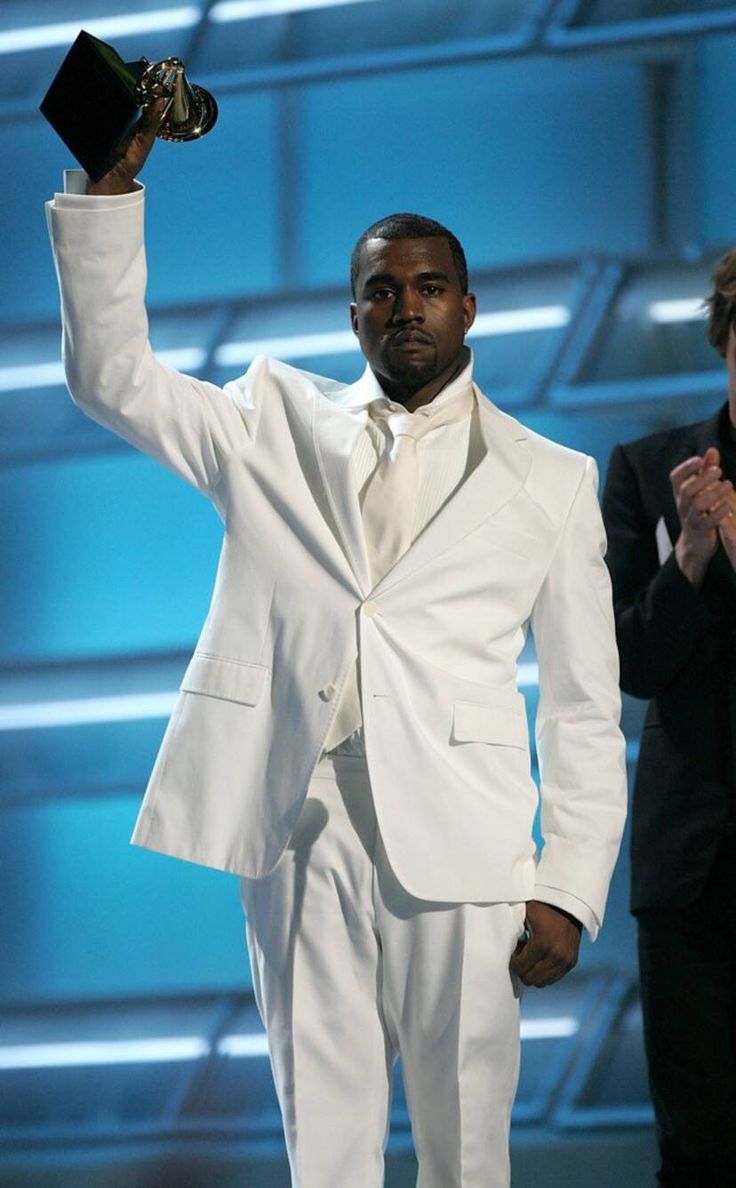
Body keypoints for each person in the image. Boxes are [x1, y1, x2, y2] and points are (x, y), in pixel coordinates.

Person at [46, 105, 626, 1188]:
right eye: (379, 289)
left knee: (468, 1158)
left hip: (470, 848)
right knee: (328, 1155)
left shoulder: (551, 477)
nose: (402, 307)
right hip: (301, 830)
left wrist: (570, 884)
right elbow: (112, 379)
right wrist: (108, 192)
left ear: (466, 306)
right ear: (352, 310)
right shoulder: (268, 416)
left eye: (425, 288)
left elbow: (584, 707)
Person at [602, 253, 736, 1188]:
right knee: (698, 1148)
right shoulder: (652, 472)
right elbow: (628, 665)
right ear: (725, 336)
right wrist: (687, 556)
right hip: (693, 867)